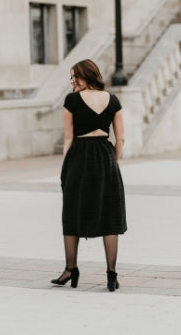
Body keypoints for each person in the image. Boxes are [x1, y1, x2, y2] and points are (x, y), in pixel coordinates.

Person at [52, 59, 127, 292]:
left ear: (87, 76)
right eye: (71, 77)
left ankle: (70, 269)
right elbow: (121, 139)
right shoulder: (113, 100)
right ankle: (111, 276)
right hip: (105, 155)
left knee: (71, 213)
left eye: (76, 76)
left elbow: (68, 139)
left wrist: (65, 169)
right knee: (110, 216)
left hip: (79, 158)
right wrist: (112, 163)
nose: (72, 81)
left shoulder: (71, 101)